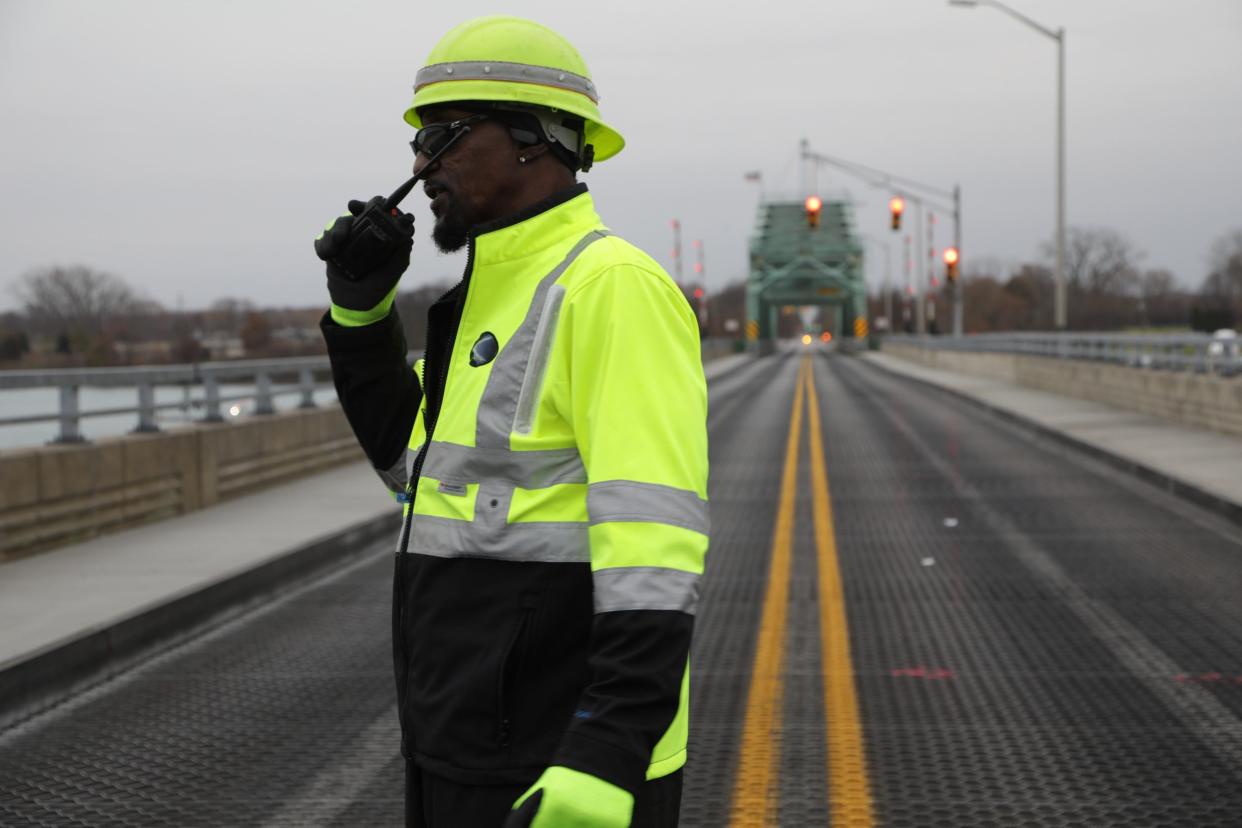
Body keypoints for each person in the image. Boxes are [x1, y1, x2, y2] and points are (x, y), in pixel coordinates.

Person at [314, 15, 709, 828]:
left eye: (446, 135)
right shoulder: (483, 296)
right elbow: (412, 472)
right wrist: (360, 315)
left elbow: (655, 541)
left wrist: (609, 747)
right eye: (419, 142)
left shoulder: (609, 287)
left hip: (563, 761)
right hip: (461, 743)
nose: (422, 166)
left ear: (535, 138)